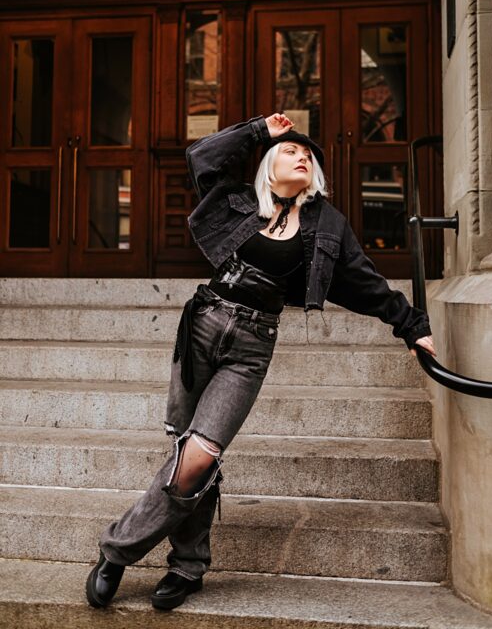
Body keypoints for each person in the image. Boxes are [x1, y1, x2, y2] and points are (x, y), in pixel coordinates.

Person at [85, 113, 435, 611]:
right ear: (270, 165)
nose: (303, 156)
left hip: (250, 346)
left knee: (199, 457)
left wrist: (411, 325)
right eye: (292, 151)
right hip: (203, 326)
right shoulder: (237, 202)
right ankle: (188, 566)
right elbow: (200, 157)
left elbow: (362, 280)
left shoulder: (326, 224)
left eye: (309, 155)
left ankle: (116, 551)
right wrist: (257, 132)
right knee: (187, 456)